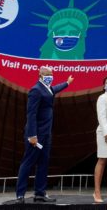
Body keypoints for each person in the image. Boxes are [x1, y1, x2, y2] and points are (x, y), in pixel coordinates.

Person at [13, 66, 74, 204]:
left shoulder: (47, 88)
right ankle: (20, 195)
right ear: (40, 75)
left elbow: (53, 90)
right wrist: (32, 135)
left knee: (43, 164)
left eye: (51, 74)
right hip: (36, 135)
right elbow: (31, 114)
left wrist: (67, 83)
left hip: (46, 135)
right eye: (47, 74)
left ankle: (40, 193)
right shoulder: (36, 90)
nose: (50, 76)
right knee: (27, 163)